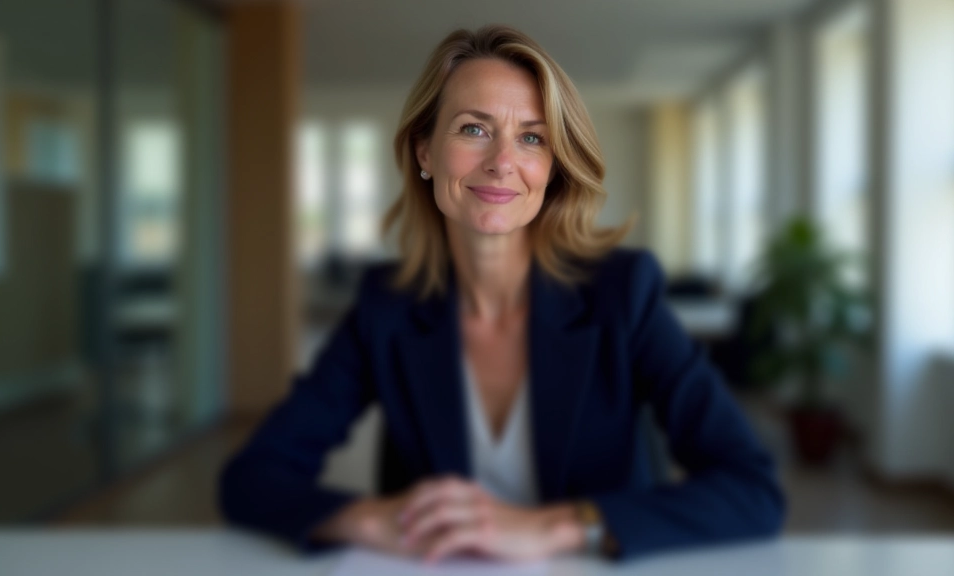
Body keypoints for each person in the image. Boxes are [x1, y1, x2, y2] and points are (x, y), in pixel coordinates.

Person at [219, 24, 785, 563]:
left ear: (553, 167)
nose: (502, 162)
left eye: (532, 138)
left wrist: (557, 526)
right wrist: (366, 519)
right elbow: (252, 477)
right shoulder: (386, 308)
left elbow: (751, 486)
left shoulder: (622, 295)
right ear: (424, 151)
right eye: (474, 129)